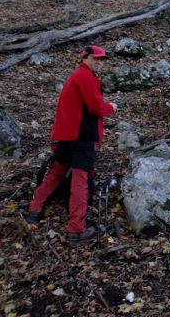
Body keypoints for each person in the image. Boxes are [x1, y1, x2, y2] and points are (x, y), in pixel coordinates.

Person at [25, 45, 117, 245]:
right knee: (80, 181)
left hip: (68, 136)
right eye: (96, 59)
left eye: (102, 60)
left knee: (56, 173)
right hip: (81, 138)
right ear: (85, 58)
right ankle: (76, 230)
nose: (100, 63)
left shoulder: (77, 76)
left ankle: (34, 210)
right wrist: (112, 108)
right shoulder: (85, 77)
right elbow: (95, 106)